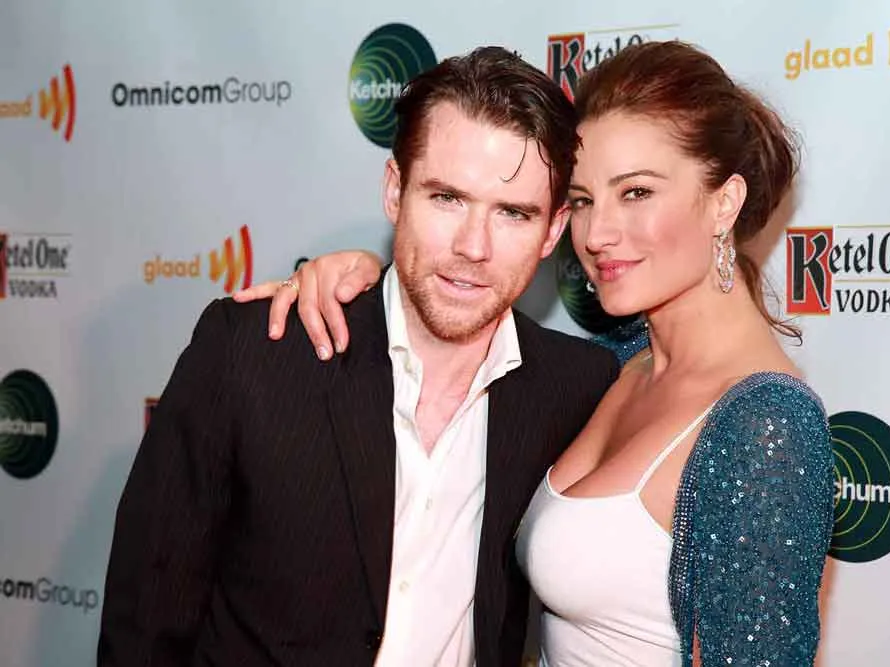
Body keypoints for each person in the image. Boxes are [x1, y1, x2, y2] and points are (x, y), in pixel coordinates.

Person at [238, 39, 836, 667]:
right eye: (582, 201)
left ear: (725, 202)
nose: (596, 234)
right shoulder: (614, 362)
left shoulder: (767, 426)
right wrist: (366, 282)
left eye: (636, 192)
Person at [97, 46, 621, 667]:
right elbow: (145, 621)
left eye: (512, 213)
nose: (473, 246)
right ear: (395, 191)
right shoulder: (254, 353)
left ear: (553, 231)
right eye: (447, 198)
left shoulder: (576, 388)